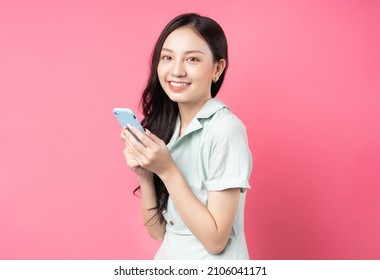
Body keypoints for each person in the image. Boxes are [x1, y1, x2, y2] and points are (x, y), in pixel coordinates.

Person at [120, 13, 252, 259]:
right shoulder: (169, 128)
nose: (176, 70)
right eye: (168, 57)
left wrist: (168, 170)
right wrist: (146, 175)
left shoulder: (225, 130)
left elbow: (215, 241)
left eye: (192, 59)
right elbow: (160, 233)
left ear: (217, 69)